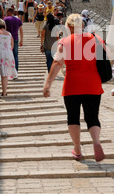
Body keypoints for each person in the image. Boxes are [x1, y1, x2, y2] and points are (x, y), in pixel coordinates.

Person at [43, 14, 106, 162]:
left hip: (72, 85)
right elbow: (105, 58)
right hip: (93, 84)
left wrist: (48, 84)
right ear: (82, 25)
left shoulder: (65, 41)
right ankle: (96, 142)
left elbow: (57, 63)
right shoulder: (96, 39)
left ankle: (77, 149)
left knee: (73, 117)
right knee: (92, 117)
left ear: (69, 27)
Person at [4, 8, 23, 74]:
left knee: (7, 55)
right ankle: (15, 71)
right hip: (15, 38)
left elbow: (4, 29)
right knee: (15, 55)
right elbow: (21, 30)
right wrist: (21, 40)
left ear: (9, 12)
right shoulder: (18, 19)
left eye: (6, 12)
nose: (6, 13)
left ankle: (8, 71)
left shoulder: (5, 19)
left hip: (7, 39)